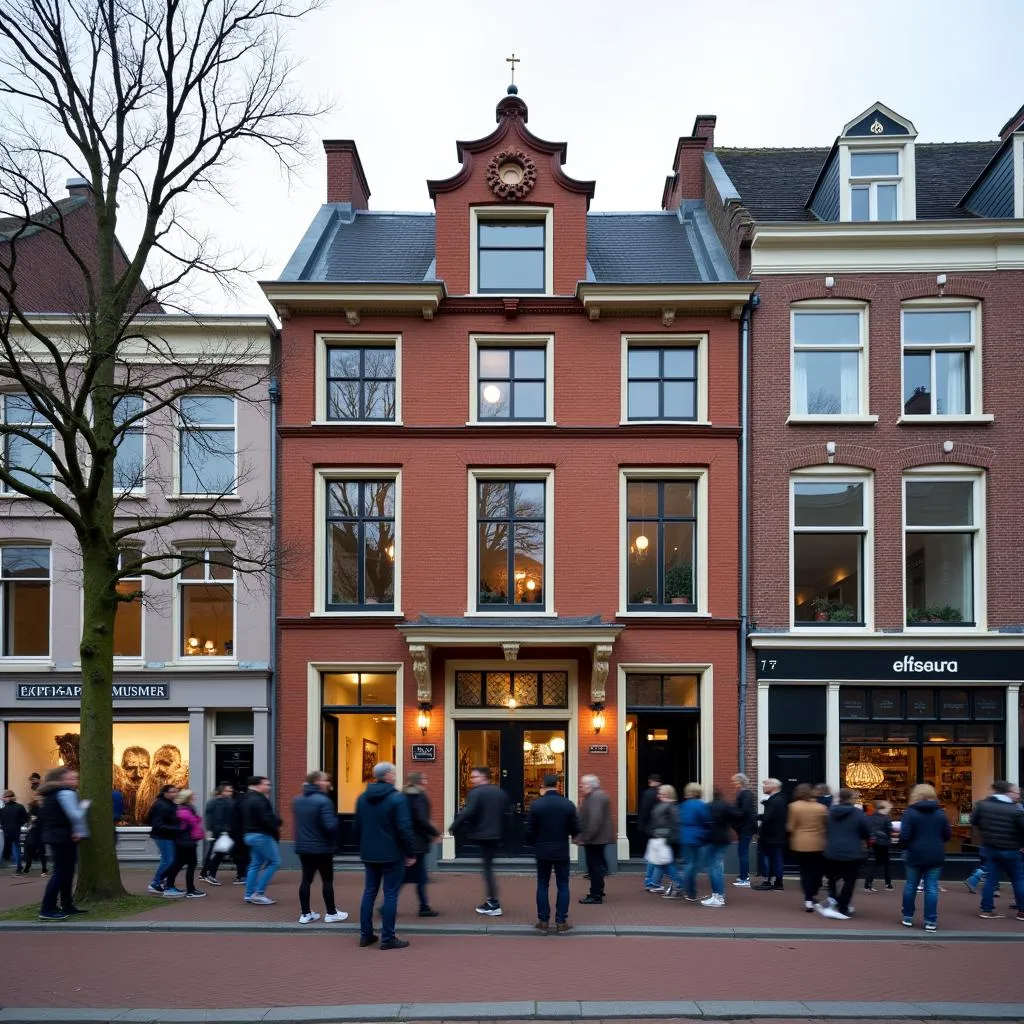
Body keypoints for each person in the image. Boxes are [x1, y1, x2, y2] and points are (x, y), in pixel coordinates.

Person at [354, 762, 416, 950]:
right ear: (388, 775)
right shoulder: (398, 799)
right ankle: (388, 938)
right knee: (390, 894)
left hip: (369, 854)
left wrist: (363, 846)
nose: (395, 776)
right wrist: (410, 852)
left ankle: (366, 935)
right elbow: (404, 828)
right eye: (394, 773)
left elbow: (356, 827)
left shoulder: (362, 798)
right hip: (392, 854)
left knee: (369, 892)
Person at [449, 765, 509, 917]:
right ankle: (492, 901)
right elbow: (507, 815)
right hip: (496, 835)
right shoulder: (500, 793)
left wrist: (453, 827)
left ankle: (493, 904)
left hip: (483, 835)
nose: (471, 780)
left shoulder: (476, 793)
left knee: (487, 870)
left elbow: (468, 812)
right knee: (488, 868)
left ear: (483, 777)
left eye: (474, 777)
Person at [527, 773, 580, 933]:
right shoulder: (567, 804)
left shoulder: (536, 805)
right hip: (561, 850)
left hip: (542, 850)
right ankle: (561, 921)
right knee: (563, 885)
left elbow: (530, 830)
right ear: (557, 784)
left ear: (543, 785)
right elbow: (575, 828)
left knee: (542, 884)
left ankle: (543, 921)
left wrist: (533, 842)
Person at [292, 770, 347, 925]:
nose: (328, 783)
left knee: (306, 880)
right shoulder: (324, 801)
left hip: (303, 847)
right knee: (327, 880)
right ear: (317, 782)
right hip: (322, 847)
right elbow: (330, 826)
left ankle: (305, 914)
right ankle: (331, 913)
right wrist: (337, 829)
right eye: (325, 780)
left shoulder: (297, 800)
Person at [37, 767, 90, 920]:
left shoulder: (50, 795)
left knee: (65, 873)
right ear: (60, 780)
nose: (75, 781)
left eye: (76, 778)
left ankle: (66, 905)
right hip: (62, 838)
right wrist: (84, 806)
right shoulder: (66, 793)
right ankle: (47, 908)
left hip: (58, 837)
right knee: (61, 873)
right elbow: (75, 815)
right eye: (71, 778)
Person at [900, 783, 952, 931]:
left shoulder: (910, 813)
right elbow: (947, 835)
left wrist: (905, 846)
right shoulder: (940, 813)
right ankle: (930, 921)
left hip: (914, 853)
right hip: (935, 854)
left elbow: (905, 836)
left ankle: (908, 916)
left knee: (911, 886)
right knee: (931, 888)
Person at [972, 779, 1024, 921]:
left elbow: (974, 821)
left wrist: (984, 835)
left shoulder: (982, 805)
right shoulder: (1016, 809)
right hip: (1012, 849)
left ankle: (987, 910)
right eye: (1016, 793)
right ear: (1008, 792)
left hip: (990, 847)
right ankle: (1022, 911)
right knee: (1018, 879)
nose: (1018, 796)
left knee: (990, 879)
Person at [817, 788, 870, 921]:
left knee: (832, 879)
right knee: (849, 881)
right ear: (851, 798)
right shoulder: (858, 813)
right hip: (852, 852)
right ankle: (843, 906)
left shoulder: (829, 813)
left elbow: (824, 829)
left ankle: (833, 899)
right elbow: (866, 831)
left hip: (831, 851)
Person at [402, 772, 440, 917]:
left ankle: (424, 906)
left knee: (410, 875)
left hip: (408, 840)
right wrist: (434, 832)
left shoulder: (403, 796)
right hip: (418, 841)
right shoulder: (419, 796)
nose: (426, 781)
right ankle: (424, 907)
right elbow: (421, 820)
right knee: (419, 876)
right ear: (418, 781)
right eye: (424, 778)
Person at [240, 775, 282, 905]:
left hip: (249, 835)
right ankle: (258, 893)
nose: (269, 787)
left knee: (255, 865)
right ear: (258, 785)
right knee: (275, 862)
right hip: (261, 836)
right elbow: (267, 818)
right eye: (266, 784)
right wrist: (278, 822)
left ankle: (249, 894)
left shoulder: (244, 798)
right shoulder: (260, 800)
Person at [786, 783, 827, 912]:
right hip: (818, 843)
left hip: (801, 843)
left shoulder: (793, 807)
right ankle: (814, 892)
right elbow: (826, 826)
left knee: (805, 871)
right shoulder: (821, 807)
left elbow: (790, 827)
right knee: (816, 870)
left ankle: (808, 899)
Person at [161, 790, 206, 898]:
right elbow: (192, 825)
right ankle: (190, 890)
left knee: (178, 864)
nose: (194, 797)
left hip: (185, 841)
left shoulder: (186, 809)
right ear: (187, 798)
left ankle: (167, 884)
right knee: (191, 865)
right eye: (192, 796)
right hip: (187, 842)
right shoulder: (184, 812)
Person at [577, 774, 613, 905]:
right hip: (599, 837)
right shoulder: (597, 795)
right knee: (597, 864)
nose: (581, 787)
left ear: (590, 785)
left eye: (583, 785)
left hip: (595, 839)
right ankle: (599, 889)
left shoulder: (595, 797)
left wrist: (587, 837)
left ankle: (595, 894)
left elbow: (595, 819)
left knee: (594, 866)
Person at [699, 788, 734, 907]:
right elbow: (735, 817)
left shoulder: (709, 806)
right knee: (717, 866)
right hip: (724, 838)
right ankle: (719, 895)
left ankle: (718, 896)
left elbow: (705, 823)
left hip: (714, 839)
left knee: (713, 867)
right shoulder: (726, 805)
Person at [676, 782, 710, 902]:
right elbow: (706, 819)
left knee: (688, 863)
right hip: (696, 837)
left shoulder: (683, 805)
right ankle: (689, 892)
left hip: (684, 836)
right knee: (694, 865)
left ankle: (688, 890)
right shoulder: (700, 805)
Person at [647, 784, 684, 895]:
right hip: (659, 837)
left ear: (667, 794)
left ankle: (678, 884)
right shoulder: (666, 805)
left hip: (665, 838)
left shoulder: (670, 806)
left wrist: (671, 837)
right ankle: (655, 883)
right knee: (662, 862)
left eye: (661, 793)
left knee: (667, 862)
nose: (659, 795)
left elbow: (675, 823)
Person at [146, 783, 181, 894]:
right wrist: (176, 828)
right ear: (165, 793)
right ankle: (155, 883)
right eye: (173, 792)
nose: (176, 793)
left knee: (168, 860)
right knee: (168, 860)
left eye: (176, 791)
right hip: (162, 836)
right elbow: (157, 824)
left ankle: (160, 881)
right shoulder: (160, 805)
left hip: (168, 836)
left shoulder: (170, 803)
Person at [755, 778, 787, 891]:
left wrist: (759, 831)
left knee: (768, 858)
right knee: (777, 859)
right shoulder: (781, 799)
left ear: (774, 787)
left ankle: (767, 881)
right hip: (779, 835)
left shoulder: (774, 800)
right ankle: (778, 882)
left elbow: (768, 819)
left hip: (770, 836)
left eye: (766, 784)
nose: (763, 786)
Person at [199, 783, 235, 884]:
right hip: (221, 832)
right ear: (222, 791)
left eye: (231, 791)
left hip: (217, 831)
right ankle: (210, 874)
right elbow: (219, 818)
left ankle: (204, 873)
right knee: (219, 853)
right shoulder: (221, 802)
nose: (230, 793)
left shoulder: (214, 802)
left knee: (214, 852)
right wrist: (224, 831)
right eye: (228, 791)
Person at [731, 773, 757, 888]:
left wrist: (733, 814)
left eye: (735, 782)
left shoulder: (745, 794)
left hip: (745, 829)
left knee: (743, 853)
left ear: (740, 782)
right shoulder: (744, 793)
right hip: (745, 828)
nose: (733, 784)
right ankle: (743, 875)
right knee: (742, 852)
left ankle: (744, 879)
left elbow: (744, 812)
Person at [637, 774, 663, 891]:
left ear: (650, 781)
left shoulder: (648, 794)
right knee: (658, 856)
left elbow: (644, 810)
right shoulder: (663, 793)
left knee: (652, 856)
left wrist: (641, 825)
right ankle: (652, 881)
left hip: (651, 828)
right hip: (661, 829)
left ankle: (649, 880)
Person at [863, 799, 894, 892]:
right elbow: (889, 830)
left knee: (878, 863)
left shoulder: (869, 817)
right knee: (884, 863)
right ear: (883, 808)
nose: (889, 809)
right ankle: (886, 883)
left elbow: (867, 829)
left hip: (873, 843)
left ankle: (885, 883)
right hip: (883, 843)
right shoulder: (886, 818)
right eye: (888, 808)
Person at [1, 790, 28, 872]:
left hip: (6, 831)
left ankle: (12, 863)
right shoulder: (20, 807)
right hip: (16, 830)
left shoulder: (3, 810)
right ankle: (18, 866)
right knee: (16, 848)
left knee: (8, 848)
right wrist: (20, 823)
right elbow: (25, 819)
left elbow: (1, 821)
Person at [22, 790, 47, 876]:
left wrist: (31, 824)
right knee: (38, 853)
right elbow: (32, 819)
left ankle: (27, 870)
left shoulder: (36, 808)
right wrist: (32, 824)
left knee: (34, 853)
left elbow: (31, 820)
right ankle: (43, 870)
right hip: (36, 833)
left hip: (35, 833)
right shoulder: (36, 808)